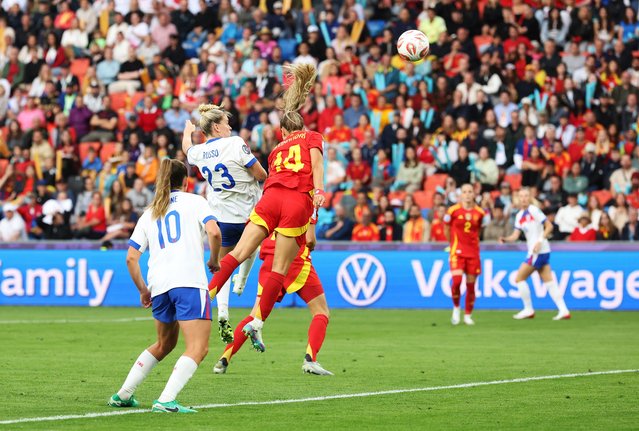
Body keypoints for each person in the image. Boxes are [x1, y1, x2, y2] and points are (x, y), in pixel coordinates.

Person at [206, 64, 325, 352]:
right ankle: (257, 322)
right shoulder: (312, 138)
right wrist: (319, 191)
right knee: (280, 268)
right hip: (296, 202)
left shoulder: (275, 151)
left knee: (237, 253)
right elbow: (317, 164)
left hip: (269, 198)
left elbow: (267, 177)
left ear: (283, 131)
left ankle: (205, 293)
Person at [108, 159, 221, 414]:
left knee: (164, 344)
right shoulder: (196, 202)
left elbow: (131, 257)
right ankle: (166, 399)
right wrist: (213, 260)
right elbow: (214, 232)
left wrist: (143, 290)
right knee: (198, 348)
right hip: (189, 282)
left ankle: (123, 394)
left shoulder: (150, 212)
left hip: (160, 285)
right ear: (185, 181)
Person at [182, 103, 267, 343]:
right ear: (217, 127)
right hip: (249, 216)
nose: (230, 127)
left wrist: (187, 132)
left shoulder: (198, 152)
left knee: (222, 267)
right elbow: (261, 175)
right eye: (227, 123)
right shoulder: (236, 143)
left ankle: (223, 313)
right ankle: (243, 281)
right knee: (252, 247)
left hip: (222, 220)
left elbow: (187, 148)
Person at [213, 219, 332, 375]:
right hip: (294, 259)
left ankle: (224, 359)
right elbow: (310, 239)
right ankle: (310, 360)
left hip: (270, 261)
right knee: (321, 312)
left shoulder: (270, 199)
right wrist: (312, 245)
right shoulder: (307, 198)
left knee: (254, 314)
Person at [499, 188, 571, 321]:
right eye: (521, 196)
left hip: (538, 251)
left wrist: (539, 240)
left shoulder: (533, 210)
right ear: (518, 198)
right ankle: (564, 310)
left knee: (519, 278)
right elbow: (516, 235)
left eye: (526, 196)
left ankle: (528, 309)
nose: (524, 199)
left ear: (530, 197)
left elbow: (549, 226)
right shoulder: (520, 215)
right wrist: (506, 239)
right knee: (549, 281)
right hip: (539, 251)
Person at [444, 184, 485, 325]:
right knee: (456, 282)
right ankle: (456, 307)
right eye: (464, 192)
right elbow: (446, 228)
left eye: (470, 192)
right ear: (460, 194)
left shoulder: (480, 213)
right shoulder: (453, 211)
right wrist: (452, 244)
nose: (467, 195)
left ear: (474, 194)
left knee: (471, 286)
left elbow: (478, 231)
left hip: (473, 252)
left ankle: (468, 314)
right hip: (457, 251)